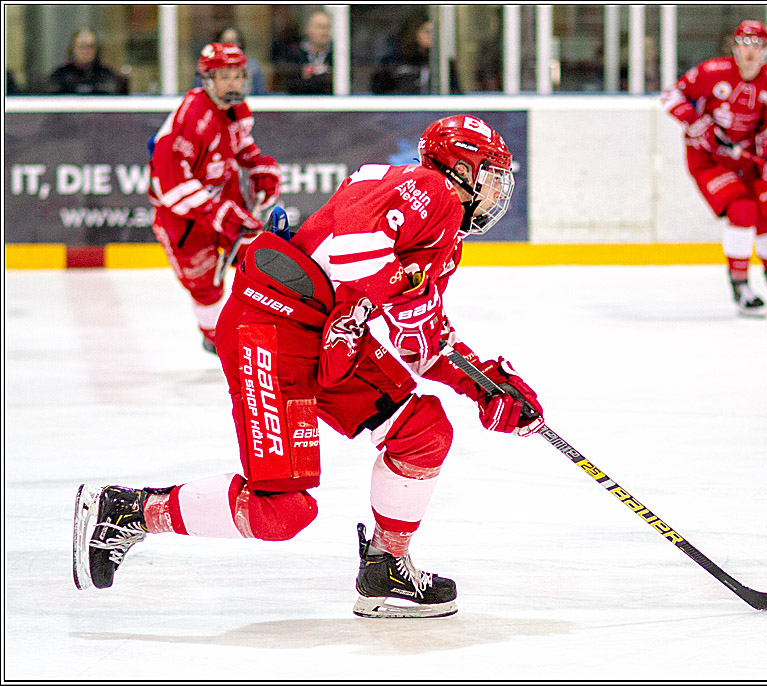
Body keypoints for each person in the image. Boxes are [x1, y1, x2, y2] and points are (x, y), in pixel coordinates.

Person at [73, 115, 545, 620]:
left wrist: (485, 384)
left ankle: (386, 566)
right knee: (280, 511)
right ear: (462, 169)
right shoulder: (429, 190)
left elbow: (421, 342)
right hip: (271, 326)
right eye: (491, 177)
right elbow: (356, 254)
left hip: (327, 337)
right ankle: (127, 512)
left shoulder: (444, 238)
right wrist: (408, 300)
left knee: (422, 432)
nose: (497, 193)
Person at [661, 20, 767, 315]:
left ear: (766, 50)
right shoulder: (712, 72)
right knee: (742, 210)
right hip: (708, 159)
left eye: (757, 45)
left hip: (746, 159)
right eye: (744, 44)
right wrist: (696, 123)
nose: (750, 51)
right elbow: (670, 96)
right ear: (734, 46)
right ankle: (741, 285)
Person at [147, 43, 281, 353]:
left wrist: (260, 169)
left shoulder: (235, 108)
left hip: (223, 196)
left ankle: (265, 325)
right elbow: (172, 187)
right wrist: (220, 214)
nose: (234, 84)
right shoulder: (190, 119)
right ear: (208, 80)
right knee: (205, 285)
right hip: (184, 218)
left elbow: (242, 144)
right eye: (225, 77)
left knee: (256, 261)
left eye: (238, 76)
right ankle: (213, 338)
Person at [371, 18, 461, 95]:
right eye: (427, 32)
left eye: (435, 32)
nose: (431, 36)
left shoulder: (443, 63)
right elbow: (379, 92)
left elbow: (455, 92)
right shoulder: (393, 62)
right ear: (415, 32)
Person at [47, 28, 129, 95]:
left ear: (96, 49)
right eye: (81, 46)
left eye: (90, 46)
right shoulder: (59, 77)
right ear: (72, 49)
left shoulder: (108, 78)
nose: (85, 51)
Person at [193, 27, 268, 95]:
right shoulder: (207, 66)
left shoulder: (252, 67)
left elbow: (260, 95)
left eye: (237, 77)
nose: (230, 45)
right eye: (226, 42)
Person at [278, 10, 333, 94]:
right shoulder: (294, 55)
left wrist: (309, 77)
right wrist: (324, 77)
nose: (324, 32)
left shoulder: (339, 56)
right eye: (319, 27)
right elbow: (291, 85)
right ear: (308, 29)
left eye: (327, 27)